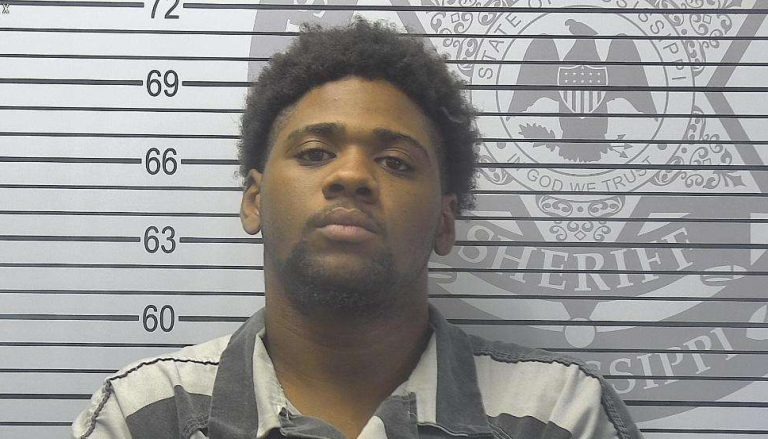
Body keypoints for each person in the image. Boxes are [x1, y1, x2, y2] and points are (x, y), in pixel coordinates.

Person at [72, 19, 643, 439]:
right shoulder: (146, 416)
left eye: (395, 162)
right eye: (315, 153)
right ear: (254, 201)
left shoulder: (557, 416)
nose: (351, 176)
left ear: (445, 222)